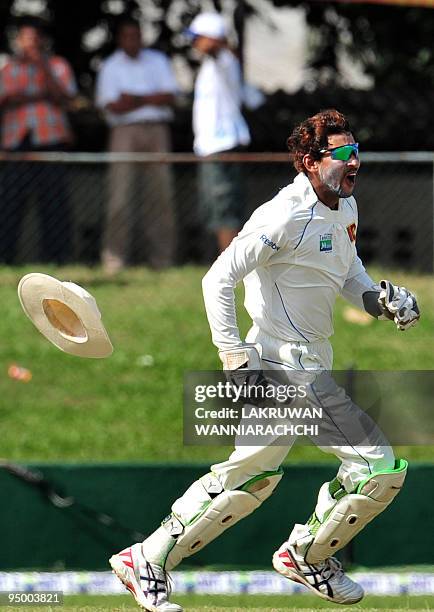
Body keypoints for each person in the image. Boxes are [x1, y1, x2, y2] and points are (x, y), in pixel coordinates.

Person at [108, 109, 420, 611]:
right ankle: (305, 555)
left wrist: (379, 301)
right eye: (342, 153)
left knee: (250, 477)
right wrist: (233, 353)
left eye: (356, 150)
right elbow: (218, 278)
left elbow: (347, 272)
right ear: (309, 161)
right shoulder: (284, 214)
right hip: (282, 365)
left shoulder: (344, 206)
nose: (354, 160)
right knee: (377, 468)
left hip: (307, 361)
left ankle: (147, 556)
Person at [96, 16, 178, 273]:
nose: (133, 40)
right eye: (127, 36)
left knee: (161, 195)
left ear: (142, 36)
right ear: (120, 39)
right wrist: (149, 99)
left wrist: (134, 98)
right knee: (120, 197)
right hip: (124, 132)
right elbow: (112, 105)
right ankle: (114, 260)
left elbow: (170, 97)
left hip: (156, 131)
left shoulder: (159, 61)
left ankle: (162, 260)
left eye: (136, 35)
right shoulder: (110, 66)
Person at [0, 18, 77, 264]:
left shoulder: (57, 65)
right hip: (16, 141)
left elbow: (63, 97)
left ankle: (57, 258)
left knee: (54, 201)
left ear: (42, 41)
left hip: (49, 139)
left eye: (35, 39)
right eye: (26, 39)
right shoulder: (8, 69)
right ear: (18, 42)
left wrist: (42, 68)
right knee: (10, 202)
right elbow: (6, 99)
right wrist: (38, 96)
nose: (30, 44)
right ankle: (5, 258)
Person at [187, 12, 251, 253]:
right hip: (211, 145)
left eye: (198, 38)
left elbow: (217, 49)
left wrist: (215, 42)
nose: (194, 43)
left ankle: (230, 266)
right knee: (215, 208)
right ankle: (226, 263)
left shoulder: (223, 60)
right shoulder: (211, 65)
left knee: (225, 208)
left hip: (222, 145)